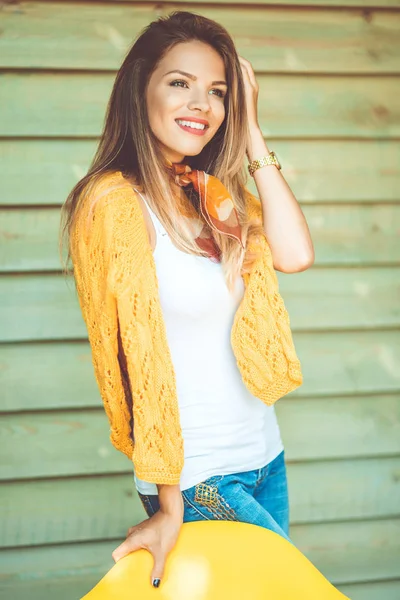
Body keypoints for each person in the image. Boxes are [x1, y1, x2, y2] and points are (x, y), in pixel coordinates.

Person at [60, 10, 314, 590]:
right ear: (140, 90)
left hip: (262, 460)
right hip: (198, 479)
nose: (201, 103)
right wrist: (169, 503)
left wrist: (251, 132)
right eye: (180, 83)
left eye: (218, 92)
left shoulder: (212, 195)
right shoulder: (114, 205)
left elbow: (295, 253)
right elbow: (134, 356)